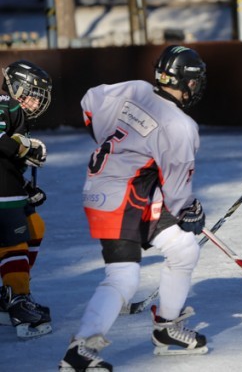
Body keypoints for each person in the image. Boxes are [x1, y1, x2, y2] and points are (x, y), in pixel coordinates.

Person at [59, 46, 208, 371]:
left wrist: (119, 150)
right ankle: (78, 352)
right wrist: (189, 208)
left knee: (183, 248)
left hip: (123, 192)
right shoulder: (181, 125)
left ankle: (166, 329)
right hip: (121, 201)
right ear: (188, 82)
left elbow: (89, 102)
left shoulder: (136, 89)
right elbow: (177, 191)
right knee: (124, 277)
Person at [0, 60, 52, 339]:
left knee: (35, 227)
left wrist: (26, 188)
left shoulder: (15, 110)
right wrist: (24, 149)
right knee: (14, 240)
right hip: (2, 191)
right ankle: (18, 299)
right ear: (17, 88)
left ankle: (11, 293)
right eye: (32, 94)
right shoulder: (4, 104)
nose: (36, 101)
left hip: (8, 186)